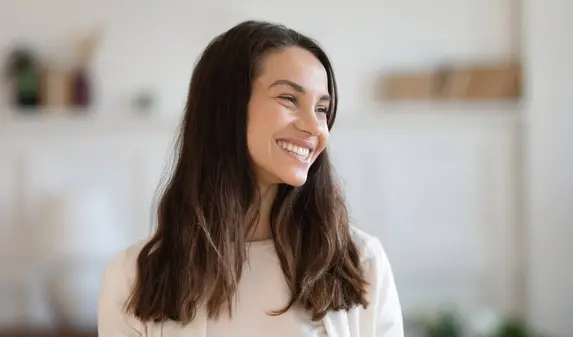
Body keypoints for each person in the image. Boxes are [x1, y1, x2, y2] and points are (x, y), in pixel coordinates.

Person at [97, 20, 403, 337]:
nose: (315, 127)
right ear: (227, 109)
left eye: (322, 109)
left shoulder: (362, 264)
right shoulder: (131, 278)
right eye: (289, 99)